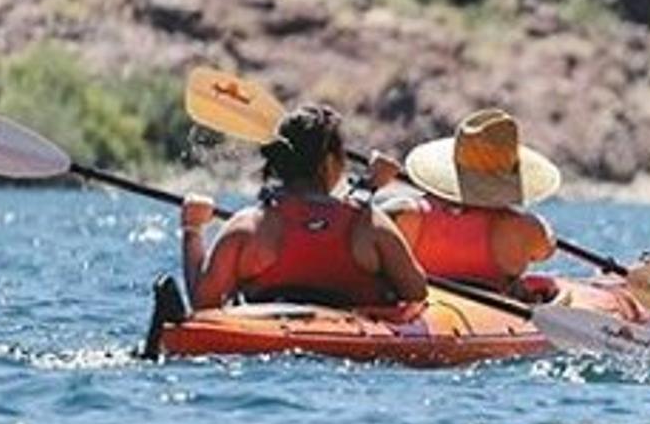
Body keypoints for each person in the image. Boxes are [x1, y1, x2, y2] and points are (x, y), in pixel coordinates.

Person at [181, 104, 427, 310]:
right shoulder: (368, 225)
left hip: (265, 351)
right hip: (352, 353)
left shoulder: (247, 228)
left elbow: (204, 304)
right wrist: (369, 185)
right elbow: (416, 291)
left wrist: (192, 230)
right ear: (330, 162)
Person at [383, 109, 562, 299]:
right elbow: (546, 250)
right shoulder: (526, 228)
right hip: (493, 314)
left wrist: (371, 184)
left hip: (418, 311)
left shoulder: (405, 212)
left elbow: (361, 232)